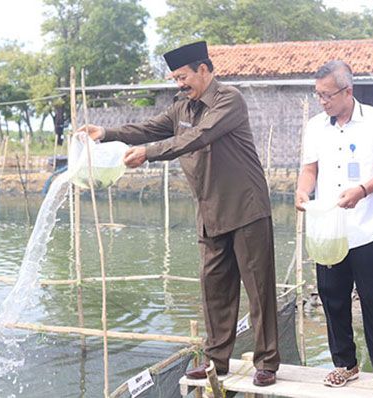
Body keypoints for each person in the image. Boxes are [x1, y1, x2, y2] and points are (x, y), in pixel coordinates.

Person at [77, 41, 280, 387]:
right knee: (214, 289)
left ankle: (267, 362)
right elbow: (148, 128)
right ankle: (217, 359)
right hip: (210, 210)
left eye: (182, 76)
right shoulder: (181, 108)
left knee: (258, 289)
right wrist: (106, 134)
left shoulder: (229, 100)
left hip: (246, 208)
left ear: (203, 69)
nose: (179, 84)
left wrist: (149, 154)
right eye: (174, 79)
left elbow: (198, 138)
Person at [295, 60, 373, 398]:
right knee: (333, 298)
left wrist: (363, 190)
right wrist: (302, 189)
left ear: (347, 91)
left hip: (367, 226)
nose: (322, 101)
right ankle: (345, 364)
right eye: (318, 95)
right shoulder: (315, 126)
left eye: (327, 95)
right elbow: (309, 169)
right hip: (329, 227)